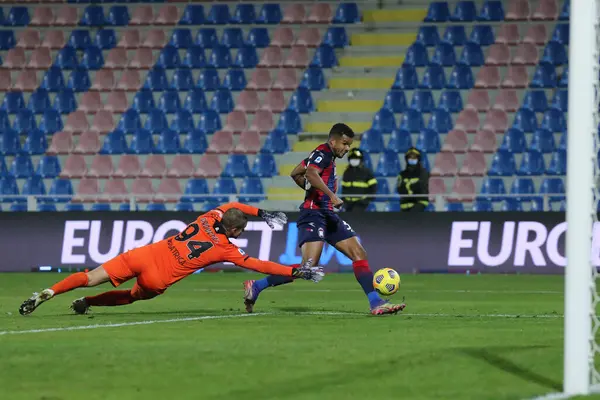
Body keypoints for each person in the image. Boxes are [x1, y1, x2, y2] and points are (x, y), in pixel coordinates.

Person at [19, 202, 324, 316]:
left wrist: (261, 213)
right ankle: (89, 302)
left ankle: (49, 292)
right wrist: (296, 271)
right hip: (158, 276)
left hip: (144, 254)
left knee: (88, 275)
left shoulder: (209, 216)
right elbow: (259, 265)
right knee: (131, 297)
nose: (242, 234)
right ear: (232, 229)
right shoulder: (224, 248)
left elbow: (230, 204)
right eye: (242, 230)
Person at [243, 123, 406, 316]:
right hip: (313, 215)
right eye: (344, 144)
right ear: (333, 140)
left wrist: (309, 189)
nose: (347, 149)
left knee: (359, 254)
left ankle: (375, 302)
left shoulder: (322, 157)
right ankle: (257, 286)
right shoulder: (323, 152)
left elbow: (296, 173)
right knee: (309, 268)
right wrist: (331, 195)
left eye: (349, 145)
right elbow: (311, 174)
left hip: (328, 215)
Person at [340, 148, 377, 212]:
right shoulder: (347, 172)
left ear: (361, 160)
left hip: (361, 204)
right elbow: (344, 188)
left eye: (356, 158)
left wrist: (365, 200)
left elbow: (373, 189)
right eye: (352, 158)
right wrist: (345, 201)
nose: (354, 160)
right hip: (348, 204)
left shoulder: (367, 172)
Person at [397, 147, 430, 212]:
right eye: (410, 157)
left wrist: (408, 188)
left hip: (419, 203)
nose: (412, 159)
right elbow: (400, 190)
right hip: (404, 205)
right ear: (406, 159)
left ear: (418, 159)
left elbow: (421, 188)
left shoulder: (423, 173)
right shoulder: (402, 174)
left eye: (414, 157)